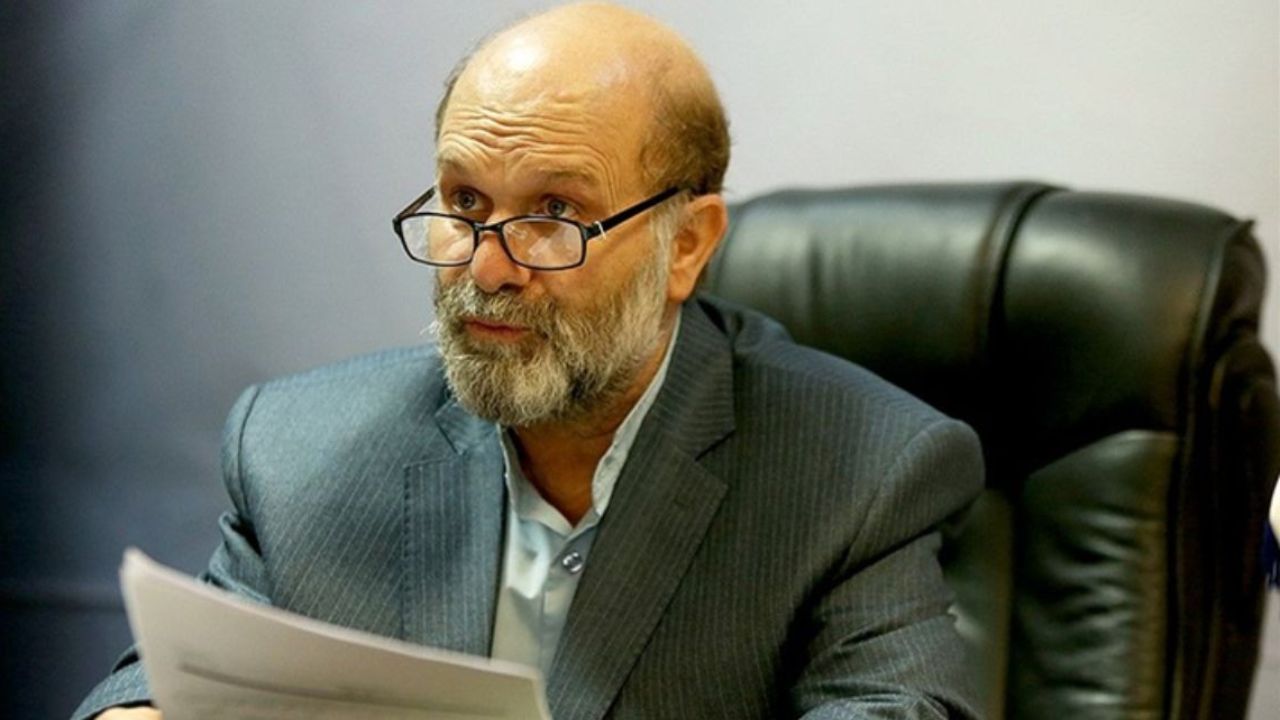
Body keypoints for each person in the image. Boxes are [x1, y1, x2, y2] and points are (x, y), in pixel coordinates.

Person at [75, 3, 984, 718]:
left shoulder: (860, 471)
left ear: (686, 246)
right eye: (466, 202)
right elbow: (178, 680)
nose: (487, 269)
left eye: (554, 214)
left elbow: (892, 706)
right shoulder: (301, 450)